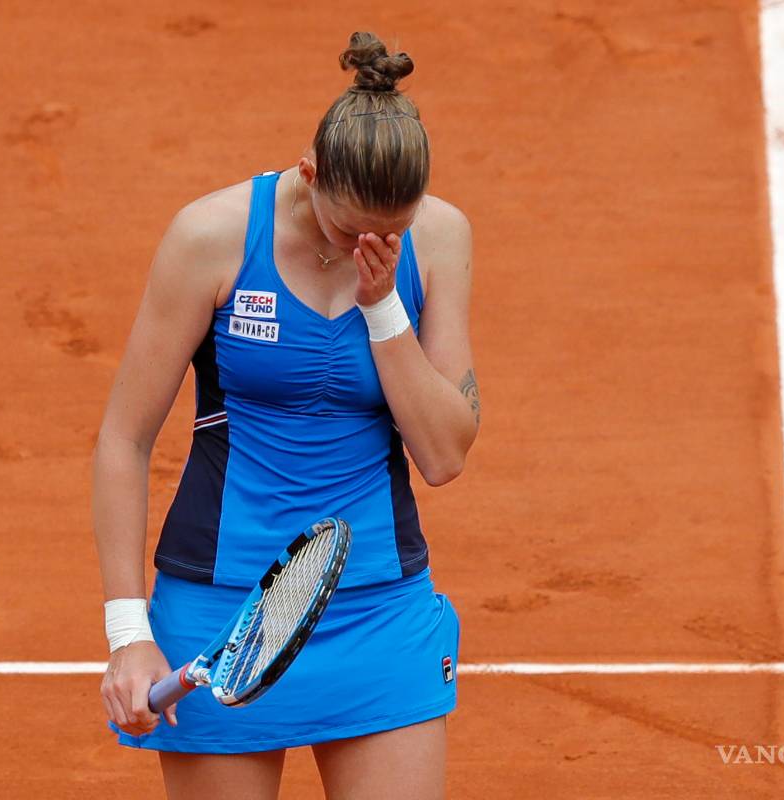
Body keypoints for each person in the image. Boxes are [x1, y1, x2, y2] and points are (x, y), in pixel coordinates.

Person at [91, 31, 480, 800]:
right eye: (351, 229)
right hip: (220, 608)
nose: (374, 245)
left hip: (378, 604)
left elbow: (444, 455)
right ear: (309, 175)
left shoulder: (439, 239)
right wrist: (129, 637)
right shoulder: (212, 238)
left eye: (392, 232)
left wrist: (383, 312)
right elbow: (123, 440)